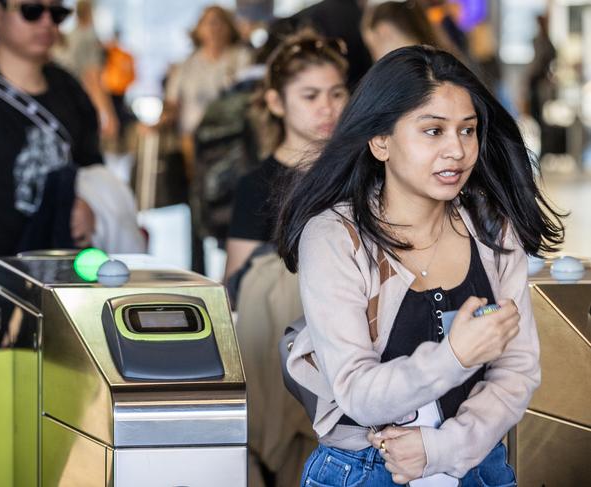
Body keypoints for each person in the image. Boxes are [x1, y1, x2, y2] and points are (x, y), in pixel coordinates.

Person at [276, 45, 565, 486]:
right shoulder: (336, 236)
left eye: (467, 131)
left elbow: (517, 370)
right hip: (363, 471)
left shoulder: (491, 227)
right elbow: (358, 393)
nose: (457, 150)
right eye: (433, 131)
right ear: (381, 141)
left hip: (477, 468)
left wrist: (442, 448)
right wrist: (455, 355)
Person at [0, 0, 101, 355]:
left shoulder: (70, 91)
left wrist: (91, 208)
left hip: (65, 296)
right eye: (31, 10)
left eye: (57, 13)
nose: (46, 21)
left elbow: (93, 173)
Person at [224, 31, 349, 286]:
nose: (327, 108)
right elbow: (238, 286)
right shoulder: (257, 186)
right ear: (276, 102)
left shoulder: (359, 171)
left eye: (336, 94)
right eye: (310, 96)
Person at [162, 5, 253, 179]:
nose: (214, 28)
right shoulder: (185, 65)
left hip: (233, 140)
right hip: (194, 142)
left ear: (229, 27)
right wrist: (160, 121)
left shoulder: (242, 57)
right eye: (208, 23)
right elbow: (172, 103)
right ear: (199, 29)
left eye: (219, 23)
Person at [54, 0, 118, 140]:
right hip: (79, 102)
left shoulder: (71, 35)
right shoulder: (87, 37)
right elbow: (92, 78)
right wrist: (107, 114)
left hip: (62, 101)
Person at [361, 0, 443, 62]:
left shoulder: (403, 73)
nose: (375, 59)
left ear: (383, 31)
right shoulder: (439, 59)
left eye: (372, 50)